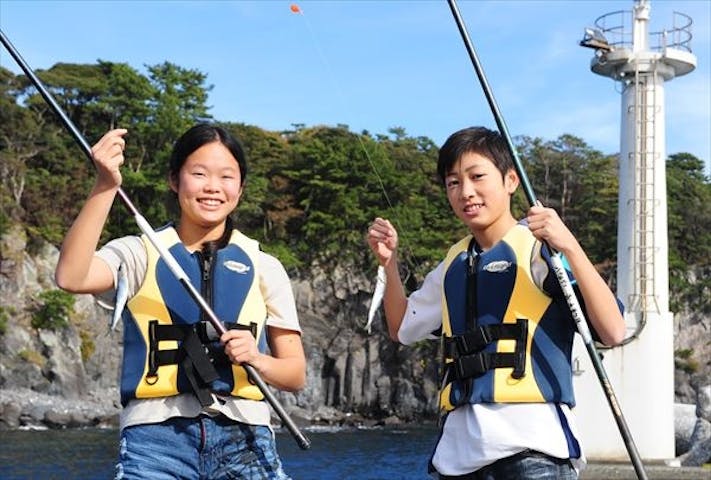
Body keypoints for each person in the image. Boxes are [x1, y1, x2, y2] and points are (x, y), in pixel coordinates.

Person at [366, 126, 625, 479]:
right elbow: (401, 329)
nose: (466, 192)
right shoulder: (452, 265)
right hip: (457, 457)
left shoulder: (540, 250)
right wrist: (389, 264)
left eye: (477, 177)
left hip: (533, 452)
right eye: (453, 182)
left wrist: (569, 246)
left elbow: (612, 330)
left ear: (510, 181)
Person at [55, 124, 306, 479]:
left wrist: (257, 358)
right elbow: (71, 276)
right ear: (175, 180)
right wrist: (105, 186)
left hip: (245, 439)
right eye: (199, 174)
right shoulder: (138, 251)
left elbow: (294, 374)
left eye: (226, 177)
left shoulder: (266, 267)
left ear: (241, 188)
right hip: (155, 441)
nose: (212, 187)